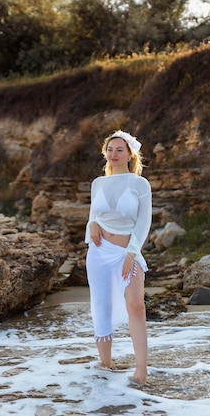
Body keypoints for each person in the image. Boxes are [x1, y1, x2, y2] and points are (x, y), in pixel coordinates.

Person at [85, 130, 152, 385]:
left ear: (129, 154)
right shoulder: (97, 183)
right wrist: (91, 225)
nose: (113, 154)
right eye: (110, 150)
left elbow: (144, 222)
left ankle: (141, 370)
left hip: (126, 252)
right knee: (101, 307)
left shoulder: (139, 184)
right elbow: (95, 214)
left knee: (136, 305)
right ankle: (105, 366)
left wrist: (132, 253)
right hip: (98, 253)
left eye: (119, 150)